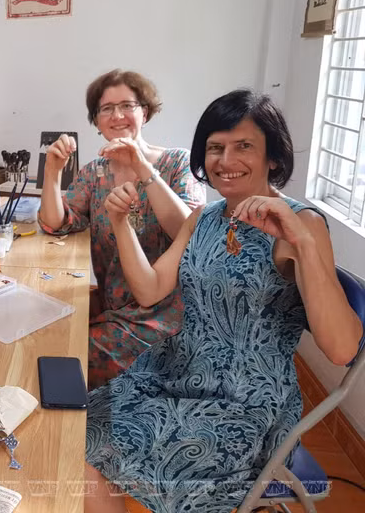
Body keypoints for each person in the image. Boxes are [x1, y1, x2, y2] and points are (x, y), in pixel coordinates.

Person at [84, 89, 363, 513]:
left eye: (243, 146)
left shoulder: (301, 224)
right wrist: (121, 224)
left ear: (273, 156)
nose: (225, 160)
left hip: (243, 405)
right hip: (172, 377)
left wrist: (303, 242)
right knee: (74, 432)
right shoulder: (204, 217)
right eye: (215, 147)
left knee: (101, 453)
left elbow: (342, 348)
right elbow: (151, 289)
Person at [38, 69, 205, 388]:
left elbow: (188, 230)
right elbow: (56, 223)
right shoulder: (94, 173)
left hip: (165, 316)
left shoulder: (176, 163)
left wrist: (141, 165)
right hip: (113, 307)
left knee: (60, 360)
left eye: (127, 105)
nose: (117, 116)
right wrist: (53, 173)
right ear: (96, 120)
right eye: (106, 109)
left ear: (145, 111)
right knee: (45, 335)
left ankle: (77, 432)